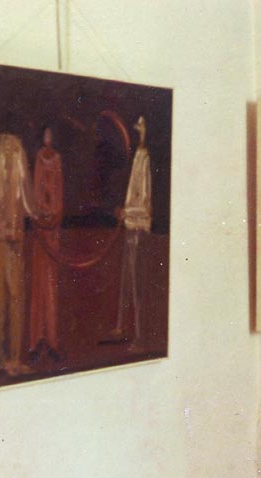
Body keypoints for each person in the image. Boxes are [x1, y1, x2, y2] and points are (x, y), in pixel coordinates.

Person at [0, 130, 34, 377]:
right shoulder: (15, 153)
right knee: (12, 297)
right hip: (11, 238)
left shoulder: (1, 153)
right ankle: (12, 359)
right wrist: (38, 213)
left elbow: (16, 198)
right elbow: (25, 198)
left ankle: (2, 356)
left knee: (2, 296)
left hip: (2, 236)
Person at [107, 116, 152, 351]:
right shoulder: (137, 160)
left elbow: (145, 205)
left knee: (136, 284)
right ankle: (120, 326)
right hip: (130, 227)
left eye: (140, 131)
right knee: (126, 280)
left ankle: (140, 336)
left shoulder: (144, 161)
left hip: (138, 228)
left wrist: (126, 212)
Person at [28, 126, 64, 363]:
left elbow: (59, 195)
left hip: (52, 231)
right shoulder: (39, 158)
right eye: (46, 134)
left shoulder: (57, 160)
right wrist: (40, 216)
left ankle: (51, 341)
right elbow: (34, 194)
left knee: (50, 286)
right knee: (38, 285)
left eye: (51, 134)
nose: (48, 138)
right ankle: (36, 341)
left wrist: (53, 217)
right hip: (41, 231)